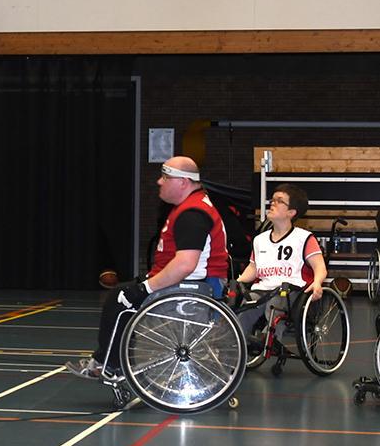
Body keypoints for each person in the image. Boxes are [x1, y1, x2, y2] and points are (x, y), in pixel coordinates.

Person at [67, 156, 230, 380]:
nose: (159, 182)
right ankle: (113, 362)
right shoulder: (193, 206)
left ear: (183, 182)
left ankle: (109, 365)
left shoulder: (193, 213)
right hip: (193, 283)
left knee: (120, 300)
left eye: (165, 177)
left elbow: (185, 264)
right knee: (123, 295)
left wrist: (146, 288)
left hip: (194, 287)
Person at [233, 183, 327, 346]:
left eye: (279, 201)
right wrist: (238, 282)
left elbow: (320, 267)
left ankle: (269, 338)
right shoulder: (260, 239)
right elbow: (253, 268)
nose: (272, 203)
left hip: (291, 290)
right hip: (263, 289)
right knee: (247, 304)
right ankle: (236, 342)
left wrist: (317, 283)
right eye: (272, 200)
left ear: (291, 212)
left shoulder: (304, 238)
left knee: (276, 302)